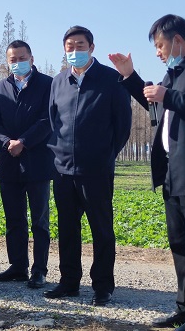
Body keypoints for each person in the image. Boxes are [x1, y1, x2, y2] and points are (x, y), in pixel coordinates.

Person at [110, 15, 185, 331]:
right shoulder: (174, 71)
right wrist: (130, 77)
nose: (158, 52)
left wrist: (168, 96)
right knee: (179, 243)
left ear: (177, 40)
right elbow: (156, 108)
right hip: (173, 170)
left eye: (160, 45)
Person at [44, 26, 131, 307]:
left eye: (80, 46)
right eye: (69, 46)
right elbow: (54, 121)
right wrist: (59, 154)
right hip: (63, 170)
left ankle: (103, 286)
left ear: (91, 48)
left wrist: (105, 155)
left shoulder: (111, 79)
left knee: (101, 230)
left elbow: (122, 125)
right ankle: (69, 281)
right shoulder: (59, 81)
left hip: (96, 170)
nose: (74, 51)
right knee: (68, 229)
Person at [0, 40, 55, 289]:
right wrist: (7, 142)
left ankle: (39, 270)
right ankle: (17, 266)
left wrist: (24, 142)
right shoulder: (1, 87)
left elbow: (48, 119)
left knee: (40, 221)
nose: (17, 62)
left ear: (31, 58)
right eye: (12, 59)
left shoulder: (47, 84)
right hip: (9, 162)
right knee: (14, 219)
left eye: (21, 58)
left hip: (37, 161)